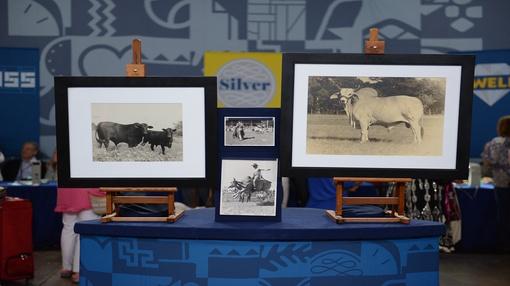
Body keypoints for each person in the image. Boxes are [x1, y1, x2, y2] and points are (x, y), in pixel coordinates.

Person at [54, 188, 104, 283]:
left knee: (68, 229)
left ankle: (66, 267)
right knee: (85, 231)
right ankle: (79, 270)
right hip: (88, 192)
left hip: (67, 192)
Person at [481, 115, 510, 252]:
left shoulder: (494, 143)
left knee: (503, 214)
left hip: (502, 182)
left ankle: (504, 245)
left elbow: (488, 161)